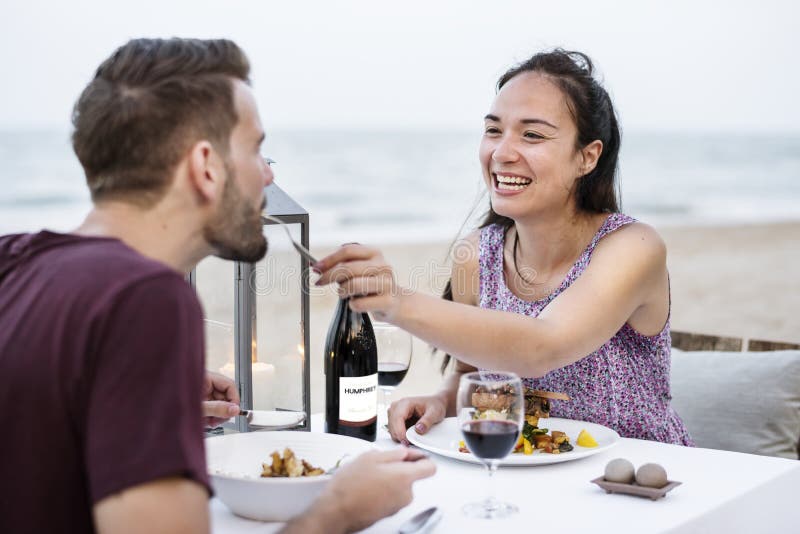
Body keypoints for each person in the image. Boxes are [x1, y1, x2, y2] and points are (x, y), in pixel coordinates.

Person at [0, 38, 434, 534]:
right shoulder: (146, 300)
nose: (268, 176)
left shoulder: (12, 258)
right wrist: (339, 512)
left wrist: (153, 399)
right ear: (206, 166)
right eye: (256, 151)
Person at [314, 49, 694, 447]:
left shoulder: (633, 247)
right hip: (521, 482)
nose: (501, 152)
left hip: (638, 483)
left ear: (587, 156)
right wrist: (442, 401)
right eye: (494, 130)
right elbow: (468, 373)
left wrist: (395, 301)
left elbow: (542, 345)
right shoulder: (476, 256)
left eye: (532, 134)